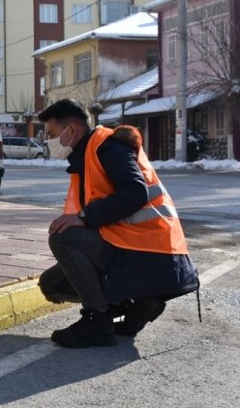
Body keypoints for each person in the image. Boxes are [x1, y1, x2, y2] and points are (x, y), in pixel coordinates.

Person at [37, 99, 199, 348]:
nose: (49, 141)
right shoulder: (87, 155)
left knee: (63, 237)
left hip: (152, 252)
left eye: (52, 133)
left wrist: (82, 218)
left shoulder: (108, 148)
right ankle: (139, 305)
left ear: (72, 129)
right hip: (132, 245)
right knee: (53, 284)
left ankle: (97, 321)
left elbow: (135, 193)